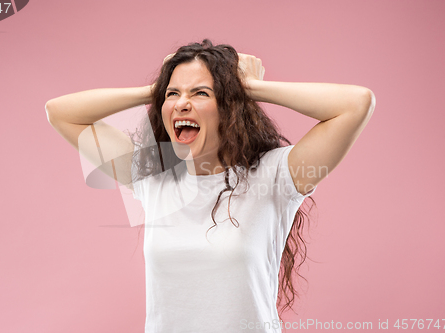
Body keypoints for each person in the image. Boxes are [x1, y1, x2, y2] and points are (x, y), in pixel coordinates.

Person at [46, 39, 375, 332]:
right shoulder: (153, 177)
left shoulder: (275, 176)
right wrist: (157, 88)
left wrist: (248, 86)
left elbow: (356, 104)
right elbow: (60, 112)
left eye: (201, 93)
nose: (181, 103)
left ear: (229, 107)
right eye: (173, 94)